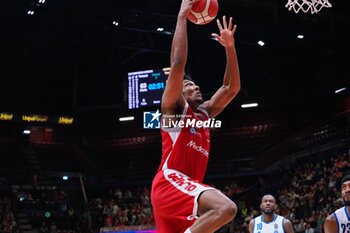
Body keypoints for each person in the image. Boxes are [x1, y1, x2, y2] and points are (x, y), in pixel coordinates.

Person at [150, 0, 241, 232]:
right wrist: (182, 16)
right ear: (178, 89)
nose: (196, 87)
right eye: (189, 85)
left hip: (187, 189)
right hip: (170, 183)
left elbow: (231, 88)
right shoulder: (172, 110)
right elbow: (178, 64)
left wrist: (229, 47)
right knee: (225, 208)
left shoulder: (203, 114)